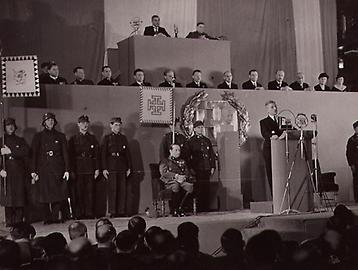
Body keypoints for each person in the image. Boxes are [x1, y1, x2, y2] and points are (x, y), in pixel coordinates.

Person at [31, 112, 70, 224]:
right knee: (44, 195)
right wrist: (33, 171)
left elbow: (65, 155)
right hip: (43, 170)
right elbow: (34, 154)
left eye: (52, 120)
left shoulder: (60, 136)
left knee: (57, 195)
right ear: (44, 123)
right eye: (48, 120)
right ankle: (46, 218)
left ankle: (55, 217)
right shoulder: (38, 137)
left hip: (57, 170)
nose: (50, 122)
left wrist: (67, 170)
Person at [68, 115, 100, 219]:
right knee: (78, 193)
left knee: (90, 192)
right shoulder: (73, 139)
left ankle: (89, 213)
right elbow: (70, 156)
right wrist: (71, 170)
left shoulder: (92, 138)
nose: (85, 125)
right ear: (78, 124)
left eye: (86, 123)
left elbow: (96, 155)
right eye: (82, 123)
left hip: (90, 168)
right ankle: (79, 214)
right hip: (78, 169)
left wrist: (96, 168)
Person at [0, 118, 30, 227]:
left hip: (19, 173)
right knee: (8, 199)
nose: (10, 127)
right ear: (4, 127)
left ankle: (19, 221)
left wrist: (10, 152)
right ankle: (9, 221)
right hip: (6, 174)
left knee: (19, 198)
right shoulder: (1, 141)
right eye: (8, 125)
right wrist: (0, 170)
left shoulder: (20, 140)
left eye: (12, 125)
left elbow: (26, 152)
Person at [101, 117, 132, 217]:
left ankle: (121, 211)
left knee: (122, 189)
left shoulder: (123, 138)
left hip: (122, 165)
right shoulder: (107, 138)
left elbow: (127, 154)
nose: (118, 127)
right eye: (115, 125)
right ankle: (113, 211)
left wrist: (129, 167)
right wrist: (104, 168)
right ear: (111, 125)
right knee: (113, 189)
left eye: (119, 125)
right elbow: (103, 154)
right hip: (111, 165)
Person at [185, 121, 216, 212]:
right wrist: (190, 168)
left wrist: (212, 166)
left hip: (206, 167)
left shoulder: (207, 140)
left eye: (202, 127)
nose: (200, 129)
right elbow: (188, 156)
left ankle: (206, 207)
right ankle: (199, 207)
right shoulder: (191, 141)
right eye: (198, 128)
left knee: (206, 188)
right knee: (198, 188)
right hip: (197, 168)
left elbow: (211, 155)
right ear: (194, 129)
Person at [159, 144, 194, 216]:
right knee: (176, 185)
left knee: (189, 186)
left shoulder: (182, 161)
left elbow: (187, 171)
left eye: (179, 150)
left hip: (181, 181)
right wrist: (176, 176)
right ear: (170, 151)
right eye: (176, 150)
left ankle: (180, 207)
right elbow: (164, 173)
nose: (178, 152)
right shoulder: (165, 161)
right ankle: (174, 209)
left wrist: (184, 177)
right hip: (170, 182)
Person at [259, 101, 286, 192]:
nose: (275, 108)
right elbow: (265, 133)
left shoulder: (282, 120)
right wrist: (272, 136)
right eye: (272, 107)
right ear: (267, 110)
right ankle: (274, 195)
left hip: (282, 150)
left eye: (275, 106)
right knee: (271, 173)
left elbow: (290, 129)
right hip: (270, 150)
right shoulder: (263, 122)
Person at [346, 121, 358, 203]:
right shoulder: (352, 140)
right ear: (355, 129)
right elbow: (349, 153)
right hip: (356, 164)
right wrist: (351, 164)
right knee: (357, 181)